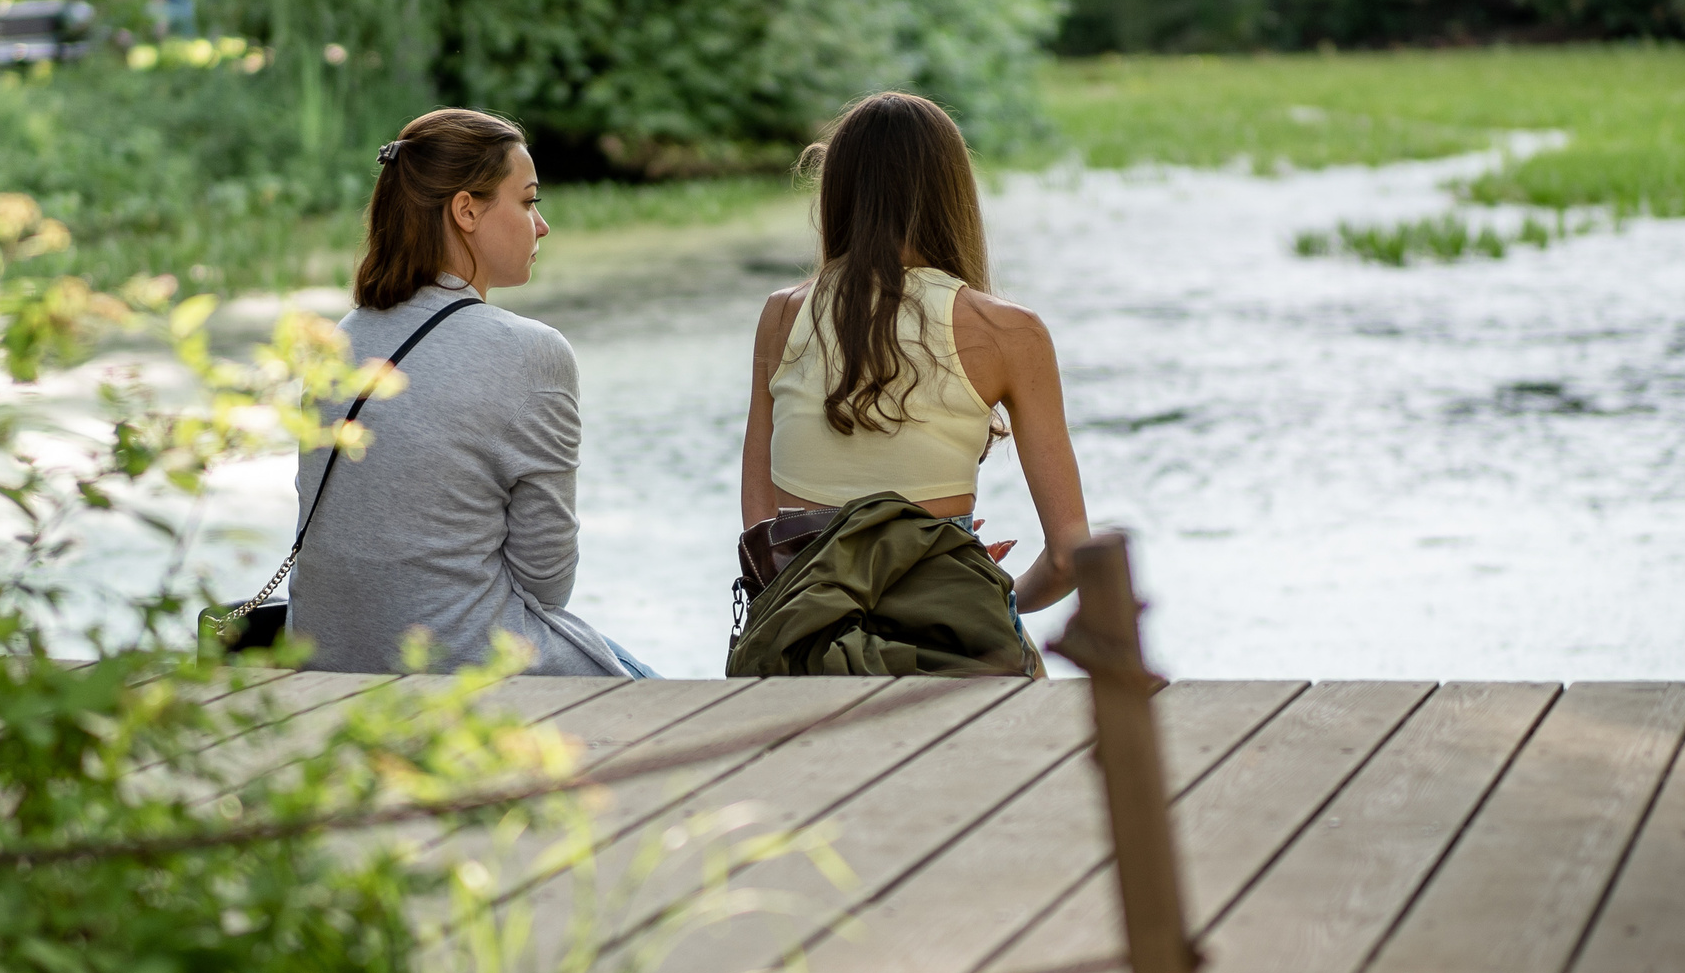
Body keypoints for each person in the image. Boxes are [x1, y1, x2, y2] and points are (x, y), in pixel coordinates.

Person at [288, 108, 653, 677]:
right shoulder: (531, 352)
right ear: (466, 210)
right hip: (465, 674)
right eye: (528, 202)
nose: (542, 225)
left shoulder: (337, 342)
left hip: (328, 664)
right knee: (669, 698)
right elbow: (547, 582)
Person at [734, 90, 1089, 674]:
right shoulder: (1009, 331)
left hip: (806, 649)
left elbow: (761, 532)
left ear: (837, 192)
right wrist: (975, 585)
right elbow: (1070, 556)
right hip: (952, 651)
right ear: (953, 195)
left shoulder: (782, 316)